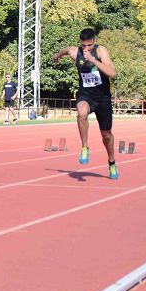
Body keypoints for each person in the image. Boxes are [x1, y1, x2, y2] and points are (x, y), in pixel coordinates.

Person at [52, 27, 119, 180]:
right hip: (86, 95)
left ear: (94, 42)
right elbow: (67, 50)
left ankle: (112, 162)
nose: (86, 49)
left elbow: (112, 73)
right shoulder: (76, 53)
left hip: (102, 97)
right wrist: (57, 56)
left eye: (89, 46)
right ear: (81, 43)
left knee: (106, 135)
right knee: (81, 112)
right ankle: (85, 147)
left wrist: (94, 60)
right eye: (84, 46)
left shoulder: (101, 51)